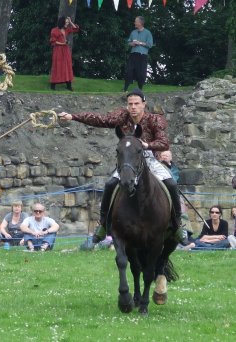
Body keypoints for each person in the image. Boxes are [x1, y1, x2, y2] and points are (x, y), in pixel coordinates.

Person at [59, 88, 183, 245]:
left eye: (136, 103)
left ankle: (178, 225)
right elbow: (100, 120)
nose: (133, 107)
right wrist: (73, 116)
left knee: (171, 183)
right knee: (110, 183)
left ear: (144, 104)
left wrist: (146, 145)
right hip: (128, 161)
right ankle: (103, 224)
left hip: (150, 158)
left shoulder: (154, 120)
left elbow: (164, 142)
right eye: (130, 104)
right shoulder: (122, 117)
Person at [123, 16, 153, 92]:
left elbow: (150, 44)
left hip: (142, 55)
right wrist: (132, 43)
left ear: (140, 23)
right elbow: (129, 42)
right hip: (133, 54)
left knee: (141, 73)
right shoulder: (133, 32)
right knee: (129, 71)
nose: (134, 23)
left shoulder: (147, 33)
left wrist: (140, 43)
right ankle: (125, 88)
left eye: (136, 21)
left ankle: (140, 89)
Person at [49, 16, 79, 91]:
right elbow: (53, 41)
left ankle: (69, 85)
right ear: (62, 22)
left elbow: (75, 28)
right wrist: (63, 43)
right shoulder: (54, 30)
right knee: (57, 66)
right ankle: (53, 85)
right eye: (66, 22)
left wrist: (70, 21)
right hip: (58, 50)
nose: (67, 24)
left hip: (65, 50)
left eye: (68, 23)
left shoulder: (67, 29)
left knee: (67, 66)